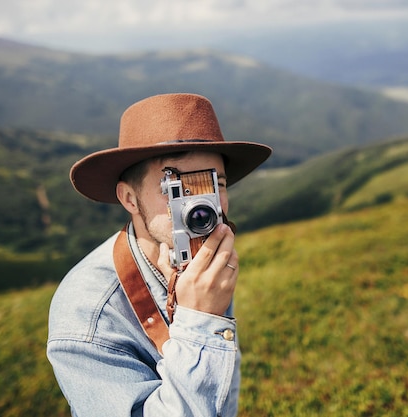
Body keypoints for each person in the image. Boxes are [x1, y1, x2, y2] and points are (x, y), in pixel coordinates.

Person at [47, 93, 272, 416]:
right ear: (129, 198)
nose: (202, 207)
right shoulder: (87, 317)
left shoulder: (201, 266)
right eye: (176, 189)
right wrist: (200, 321)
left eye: (215, 184)